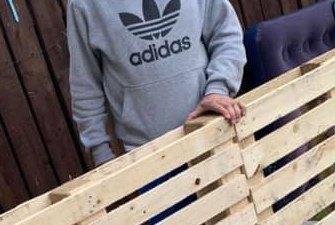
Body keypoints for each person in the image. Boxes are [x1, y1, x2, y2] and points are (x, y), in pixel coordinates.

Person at [67, 0, 247, 167]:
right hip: (149, 158)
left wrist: (218, 90)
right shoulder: (84, 4)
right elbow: (85, 85)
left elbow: (227, 37)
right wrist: (101, 155)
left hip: (215, 130)